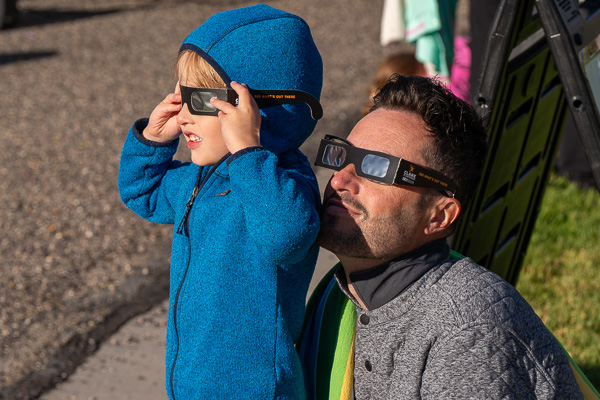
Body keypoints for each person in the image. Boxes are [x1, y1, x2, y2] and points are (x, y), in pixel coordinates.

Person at [299, 74, 583, 399]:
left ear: (439, 216)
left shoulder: (467, 337)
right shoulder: (339, 295)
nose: (339, 180)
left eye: (376, 168)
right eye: (343, 157)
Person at [118, 5, 323, 399]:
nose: (184, 116)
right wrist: (155, 142)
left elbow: (285, 237)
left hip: (255, 391)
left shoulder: (281, 182)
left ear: (257, 108)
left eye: (200, 99)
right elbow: (141, 193)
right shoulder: (201, 178)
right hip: (191, 382)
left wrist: (248, 153)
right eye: (182, 96)